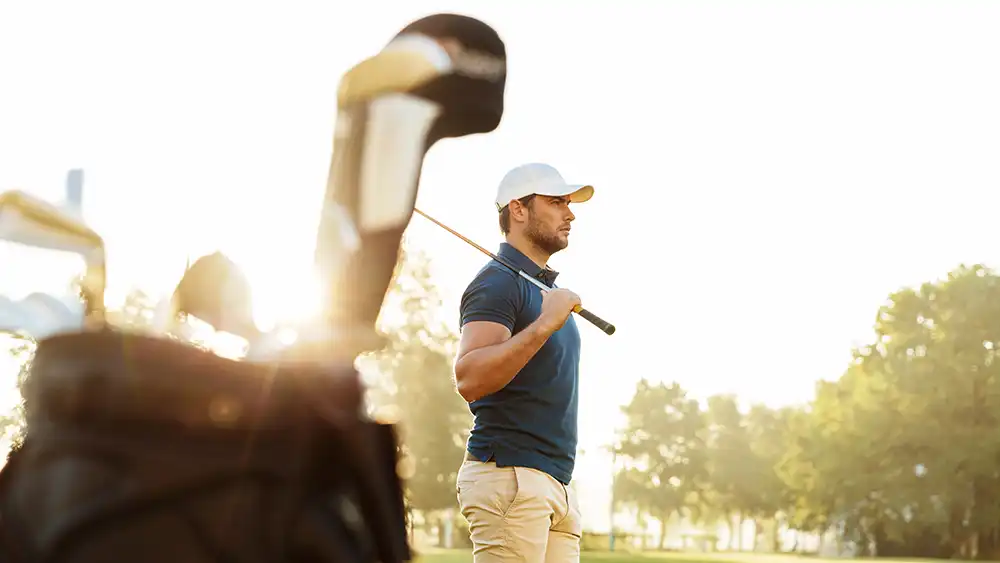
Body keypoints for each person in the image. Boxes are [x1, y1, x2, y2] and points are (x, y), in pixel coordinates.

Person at [453, 162, 594, 562]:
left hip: (555, 482)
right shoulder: (497, 282)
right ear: (518, 209)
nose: (569, 213)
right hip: (511, 477)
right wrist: (544, 326)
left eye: (568, 203)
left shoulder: (542, 289)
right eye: (556, 202)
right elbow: (470, 377)